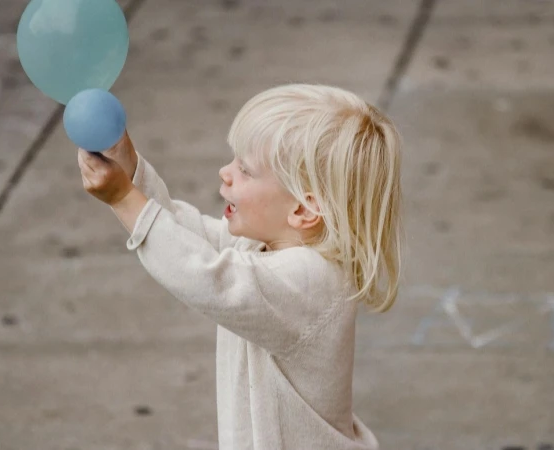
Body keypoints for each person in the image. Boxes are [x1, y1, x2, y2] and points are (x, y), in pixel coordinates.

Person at [76, 84, 403, 449]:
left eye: (245, 170)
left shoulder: (309, 281)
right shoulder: (266, 245)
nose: (225, 172)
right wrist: (130, 169)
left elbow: (205, 274)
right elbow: (190, 236)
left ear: (302, 210)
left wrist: (125, 200)